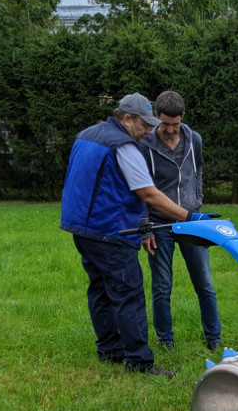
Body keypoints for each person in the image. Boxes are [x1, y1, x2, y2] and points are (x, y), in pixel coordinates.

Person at [60, 93, 208, 378]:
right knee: (128, 293)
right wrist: (190, 217)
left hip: (80, 226)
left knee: (100, 289)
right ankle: (139, 360)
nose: (148, 131)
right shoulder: (124, 145)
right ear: (126, 119)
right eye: (144, 124)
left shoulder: (87, 135)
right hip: (108, 229)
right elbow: (149, 193)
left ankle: (109, 349)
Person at [139, 91, 222, 352]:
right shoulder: (145, 144)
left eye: (175, 125)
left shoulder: (194, 139)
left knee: (205, 284)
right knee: (162, 286)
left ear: (182, 118)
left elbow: (197, 173)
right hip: (159, 224)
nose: (171, 130)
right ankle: (166, 341)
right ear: (156, 118)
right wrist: (145, 228)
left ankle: (214, 338)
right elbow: (140, 188)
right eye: (165, 125)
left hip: (190, 221)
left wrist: (196, 201)